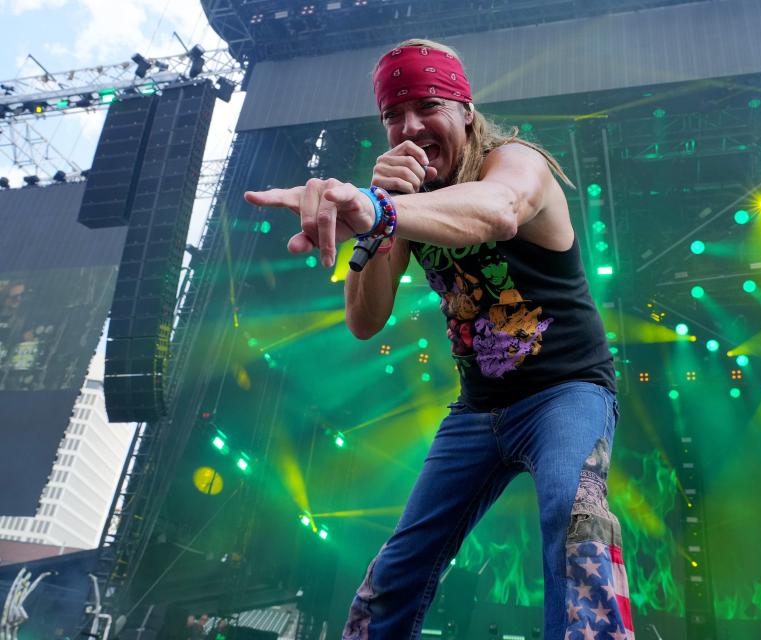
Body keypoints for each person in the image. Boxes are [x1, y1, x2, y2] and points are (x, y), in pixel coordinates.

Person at [245, 38, 634, 640]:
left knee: (573, 509)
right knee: (401, 564)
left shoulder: (516, 162)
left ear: (465, 112)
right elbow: (365, 318)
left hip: (566, 392)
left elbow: (498, 210)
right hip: (479, 412)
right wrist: (378, 218)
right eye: (393, 116)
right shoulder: (404, 200)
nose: (410, 127)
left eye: (428, 106)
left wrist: (384, 212)